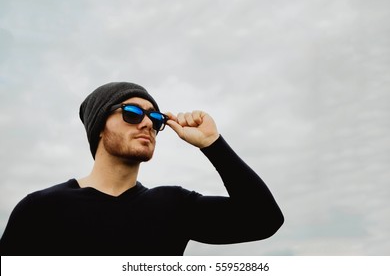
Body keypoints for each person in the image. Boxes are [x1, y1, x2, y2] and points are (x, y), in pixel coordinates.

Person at [0, 82, 284, 256]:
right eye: (132, 113)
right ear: (99, 127)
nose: (147, 123)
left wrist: (213, 144)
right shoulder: (41, 209)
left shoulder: (172, 206)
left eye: (155, 118)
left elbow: (263, 219)